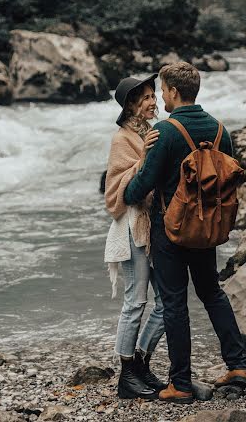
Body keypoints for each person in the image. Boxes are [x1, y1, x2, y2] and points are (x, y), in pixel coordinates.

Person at [124, 62, 246, 404]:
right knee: (212, 293)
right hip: (208, 227)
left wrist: (123, 193)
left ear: (174, 92)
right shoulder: (222, 130)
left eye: (163, 90)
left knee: (175, 303)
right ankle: (238, 366)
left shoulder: (165, 132)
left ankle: (180, 383)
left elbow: (144, 184)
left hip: (172, 229)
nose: (161, 96)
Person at [104, 74, 166, 400]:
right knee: (136, 302)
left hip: (156, 227)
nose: (152, 101)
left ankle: (141, 361)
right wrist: (146, 158)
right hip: (133, 226)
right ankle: (126, 377)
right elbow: (117, 189)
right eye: (144, 97)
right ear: (131, 105)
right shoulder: (122, 139)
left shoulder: (153, 132)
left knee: (169, 301)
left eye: (153, 95)